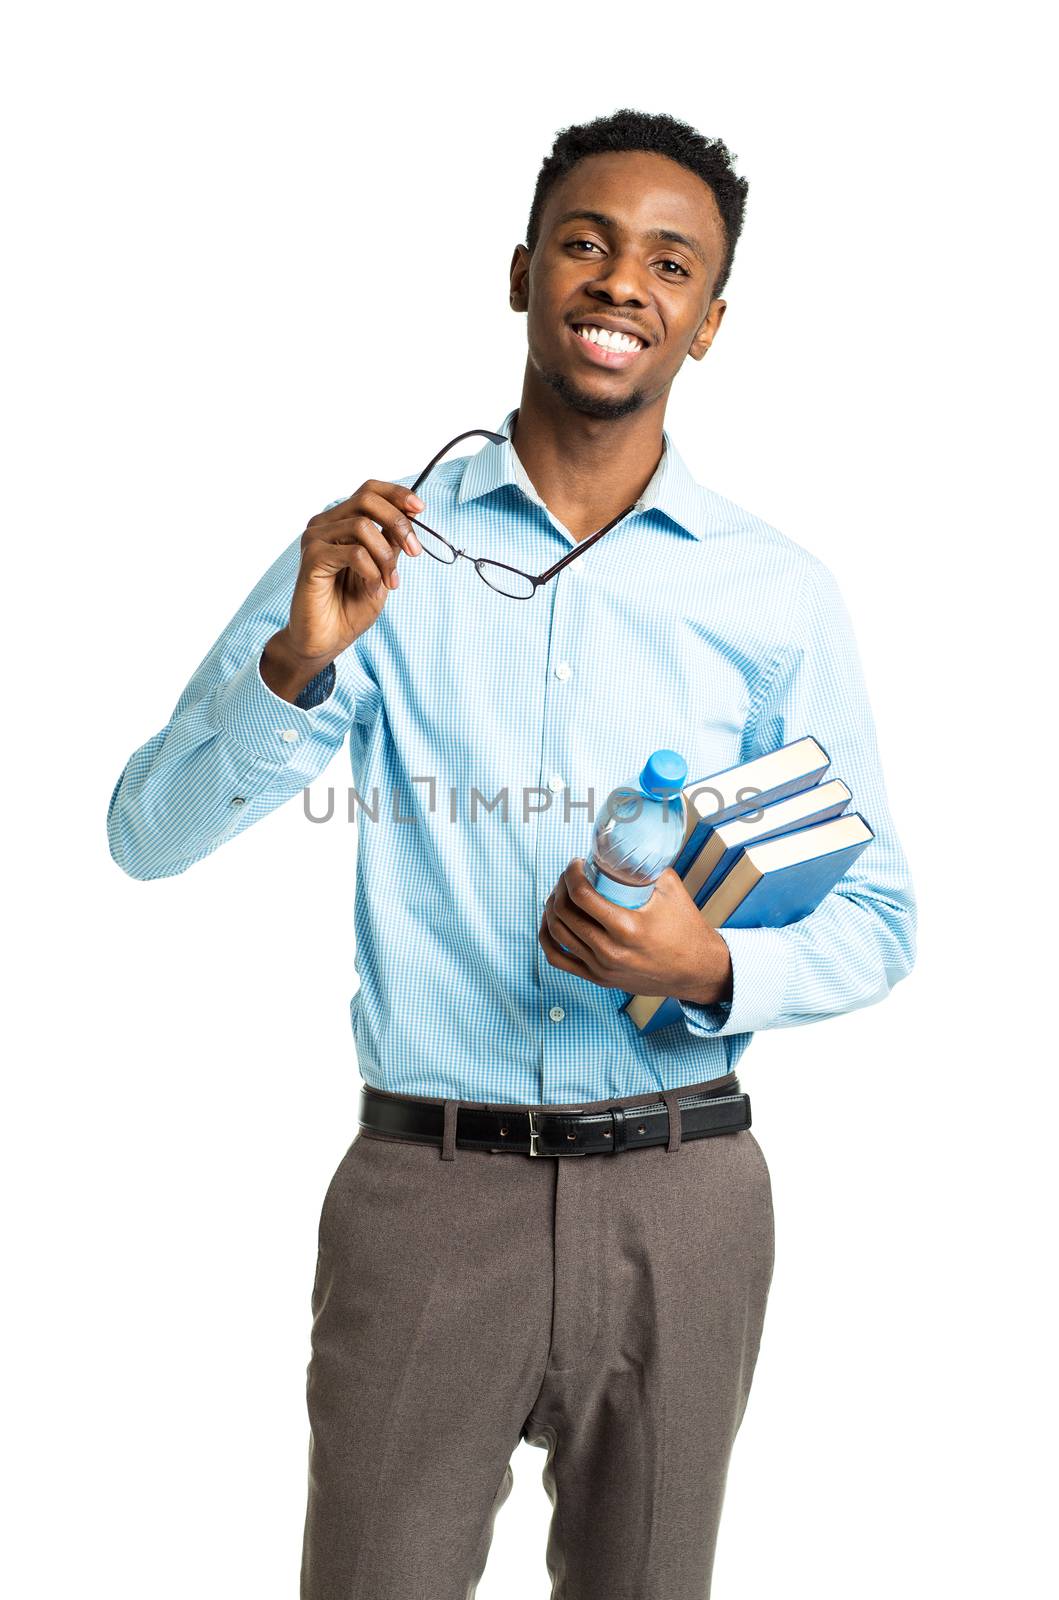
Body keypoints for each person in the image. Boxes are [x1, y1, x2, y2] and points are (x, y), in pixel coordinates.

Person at [107, 107, 917, 1600]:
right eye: (589, 243)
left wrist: (709, 960)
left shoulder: (776, 591)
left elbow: (878, 915)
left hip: (688, 1198)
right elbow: (144, 837)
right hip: (430, 1195)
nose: (624, 283)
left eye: (671, 264)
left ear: (711, 323)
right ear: (522, 270)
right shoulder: (377, 554)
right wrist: (294, 665)